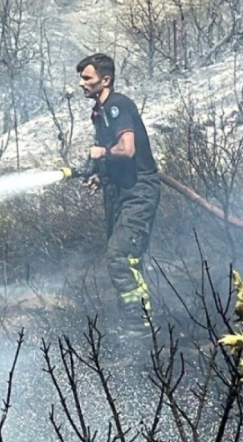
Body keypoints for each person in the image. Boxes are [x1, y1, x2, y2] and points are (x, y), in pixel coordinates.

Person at [75, 53, 161, 339]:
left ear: (105, 80)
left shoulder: (118, 106)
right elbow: (117, 160)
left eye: (87, 78)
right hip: (120, 190)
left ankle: (140, 327)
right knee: (125, 256)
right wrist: (101, 175)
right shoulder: (99, 112)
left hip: (138, 191)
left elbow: (127, 150)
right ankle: (137, 321)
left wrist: (102, 153)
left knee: (121, 256)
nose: (81, 84)